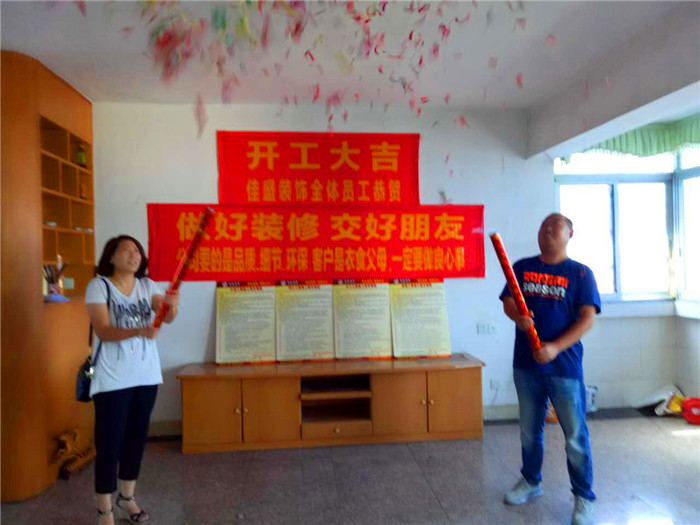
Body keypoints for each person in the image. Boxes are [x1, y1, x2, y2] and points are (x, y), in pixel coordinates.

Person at [499, 213, 600, 525]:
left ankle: (583, 496)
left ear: (571, 234)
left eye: (555, 225)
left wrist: (555, 347)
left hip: (565, 368)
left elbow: (587, 318)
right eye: (543, 225)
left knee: (575, 436)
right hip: (526, 365)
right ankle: (531, 481)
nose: (548, 229)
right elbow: (508, 301)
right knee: (530, 431)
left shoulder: (581, 273)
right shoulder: (522, 267)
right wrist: (517, 317)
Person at [85, 235, 179, 525]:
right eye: (126, 249)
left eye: (137, 250)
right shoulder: (99, 286)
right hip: (112, 379)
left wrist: (171, 305)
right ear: (111, 256)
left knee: (136, 440)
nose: (134, 254)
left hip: (146, 376)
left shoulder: (147, 285)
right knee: (109, 443)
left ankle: (126, 497)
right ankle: (104, 509)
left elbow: (166, 316)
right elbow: (103, 330)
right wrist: (139, 330)